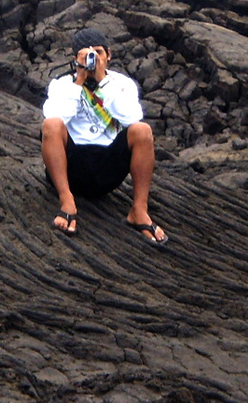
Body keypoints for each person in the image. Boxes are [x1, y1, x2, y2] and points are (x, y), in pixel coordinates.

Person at [41, 28, 168, 245]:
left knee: (143, 131)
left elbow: (133, 117)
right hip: (72, 166)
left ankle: (139, 210)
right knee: (51, 124)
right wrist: (79, 81)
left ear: (109, 55)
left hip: (107, 167)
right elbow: (55, 117)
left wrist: (102, 82)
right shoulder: (62, 84)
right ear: (75, 58)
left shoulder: (122, 84)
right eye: (86, 54)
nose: (94, 58)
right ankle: (67, 202)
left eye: (98, 52)